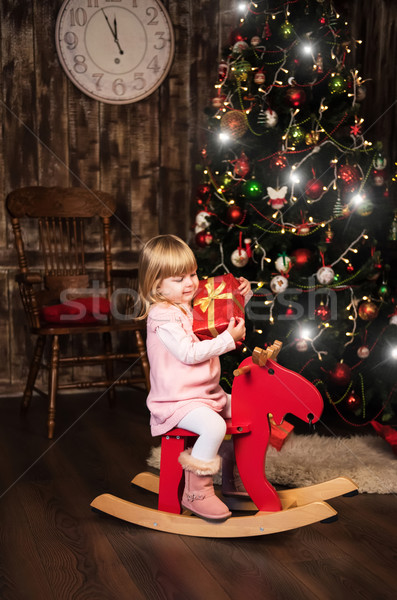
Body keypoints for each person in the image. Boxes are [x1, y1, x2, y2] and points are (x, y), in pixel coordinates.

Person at [138, 234, 251, 521]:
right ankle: (197, 491)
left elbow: (217, 314)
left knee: (245, 409)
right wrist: (228, 340)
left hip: (205, 394)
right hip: (177, 400)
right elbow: (188, 353)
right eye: (178, 279)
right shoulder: (163, 316)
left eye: (192, 274)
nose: (190, 283)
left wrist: (241, 296)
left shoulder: (190, 303)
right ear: (156, 285)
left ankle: (230, 478)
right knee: (214, 426)